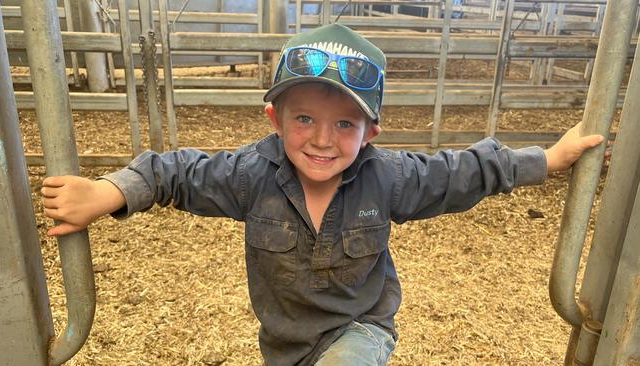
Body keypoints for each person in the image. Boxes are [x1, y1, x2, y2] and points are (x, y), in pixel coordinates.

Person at [41, 23, 604, 366]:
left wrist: (547, 160)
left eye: (344, 125)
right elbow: (176, 172)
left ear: (370, 134)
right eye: (304, 117)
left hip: (361, 330)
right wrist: (109, 190)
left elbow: (460, 173)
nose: (320, 139)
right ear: (274, 117)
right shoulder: (248, 176)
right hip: (284, 345)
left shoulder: (390, 179)